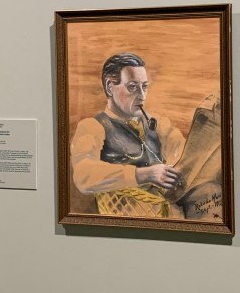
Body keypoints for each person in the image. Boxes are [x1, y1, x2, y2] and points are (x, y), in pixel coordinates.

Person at [70, 53, 186, 217]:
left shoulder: (158, 123)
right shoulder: (93, 127)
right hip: (125, 214)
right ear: (110, 87)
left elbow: (183, 153)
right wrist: (146, 174)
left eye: (144, 86)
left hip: (169, 214)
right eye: (132, 87)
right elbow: (83, 175)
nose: (142, 95)